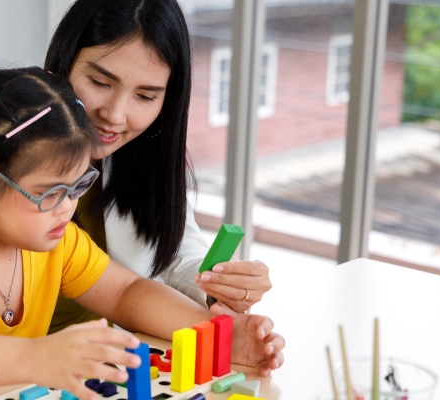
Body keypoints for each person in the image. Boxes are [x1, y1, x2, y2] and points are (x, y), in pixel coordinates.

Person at [0, 67, 284, 400]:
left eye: (79, 185)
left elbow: (126, 293)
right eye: (49, 192)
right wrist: (37, 358)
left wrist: (219, 332)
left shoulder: (53, 239)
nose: (68, 207)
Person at [44, 0, 272, 332]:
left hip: (111, 360)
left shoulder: (142, 155)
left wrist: (220, 286)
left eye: (146, 96)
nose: (116, 115)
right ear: (63, 64)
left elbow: (174, 255)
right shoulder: (3, 155)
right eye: (101, 83)